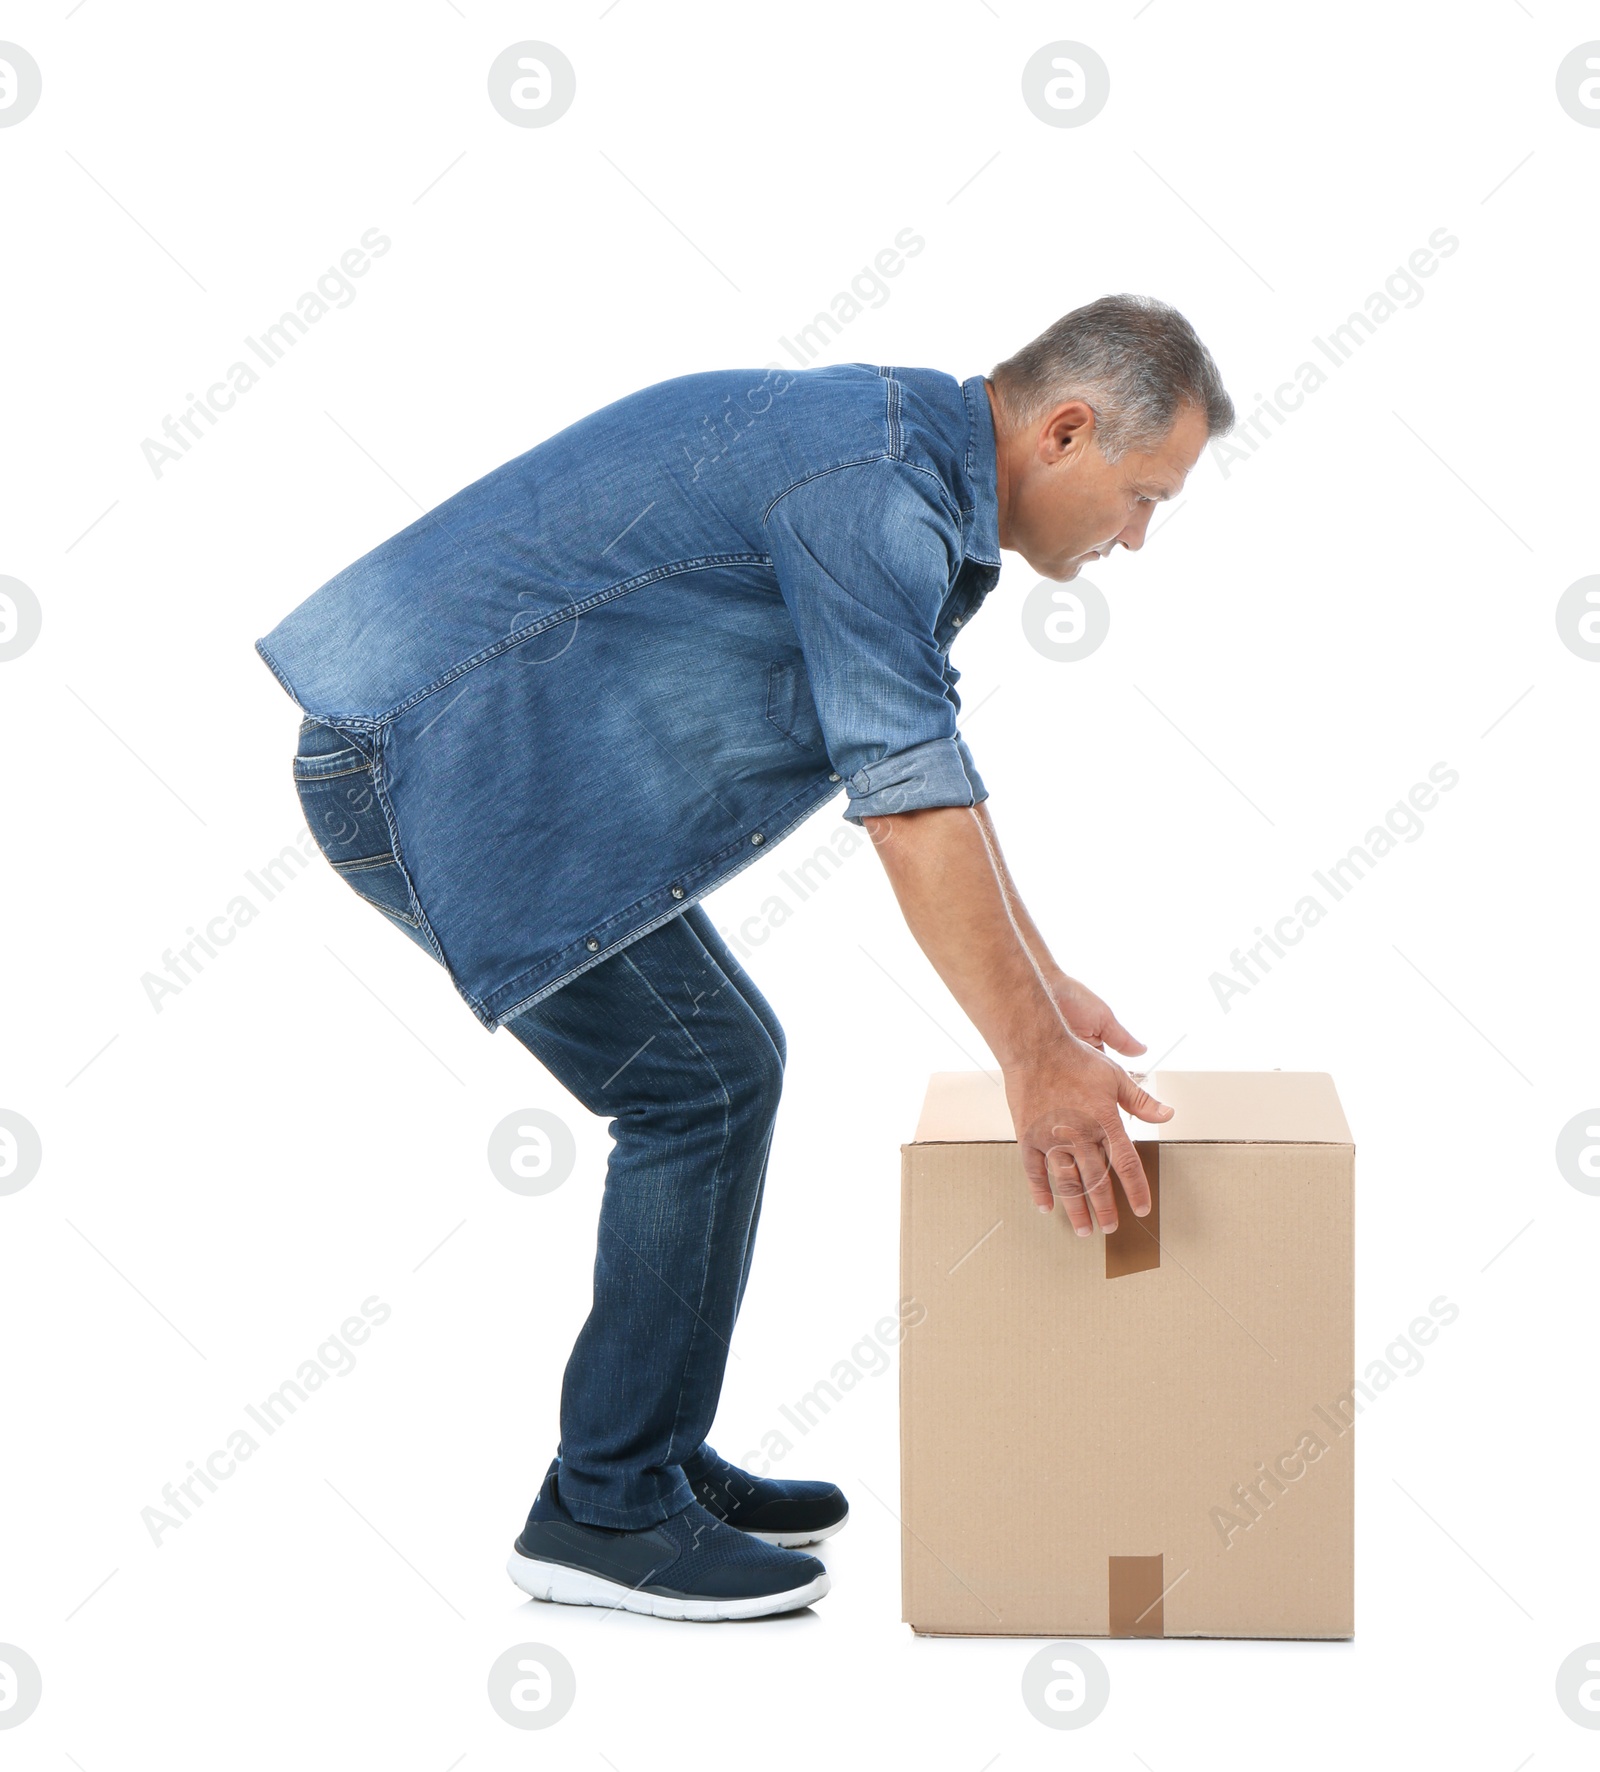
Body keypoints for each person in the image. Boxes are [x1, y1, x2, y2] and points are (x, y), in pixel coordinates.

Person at [255, 293, 1235, 1622]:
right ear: (1065, 430)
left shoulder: (903, 456)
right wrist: (1031, 1059)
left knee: (720, 1069)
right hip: (418, 759)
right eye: (1141, 495)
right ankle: (604, 1509)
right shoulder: (874, 492)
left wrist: (1039, 981)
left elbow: (929, 757)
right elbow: (906, 796)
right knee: (700, 1083)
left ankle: (643, 1460)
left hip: (474, 742)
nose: (1140, 537)